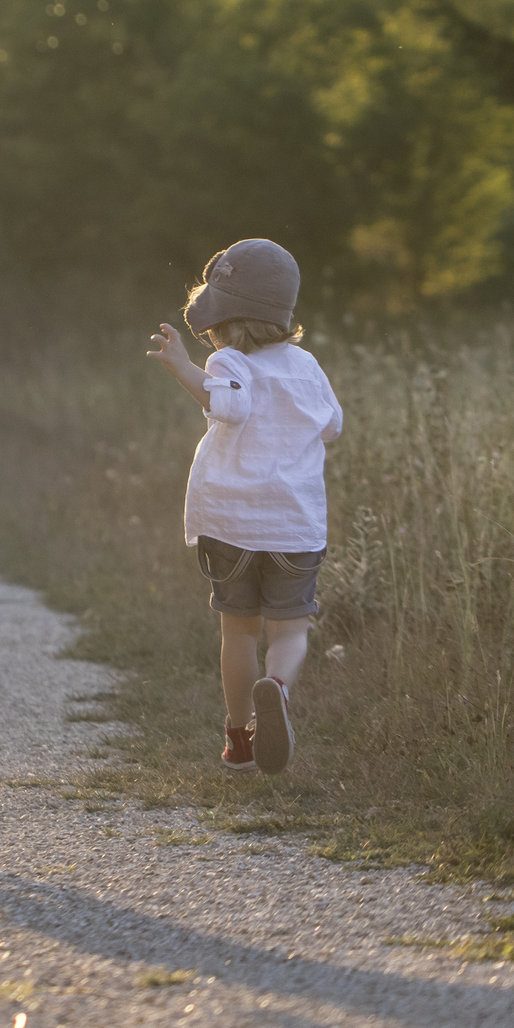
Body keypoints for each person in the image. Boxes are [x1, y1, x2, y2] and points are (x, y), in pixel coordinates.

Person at [145, 239, 343, 775]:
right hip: (295, 526)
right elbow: (332, 427)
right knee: (291, 630)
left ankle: (238, 738)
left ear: (224, 318)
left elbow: (227, 405)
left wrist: (185, 369)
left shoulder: (227, 360)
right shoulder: (306, 365)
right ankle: (275, 688)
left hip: (230, 523)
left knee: (239, 632)